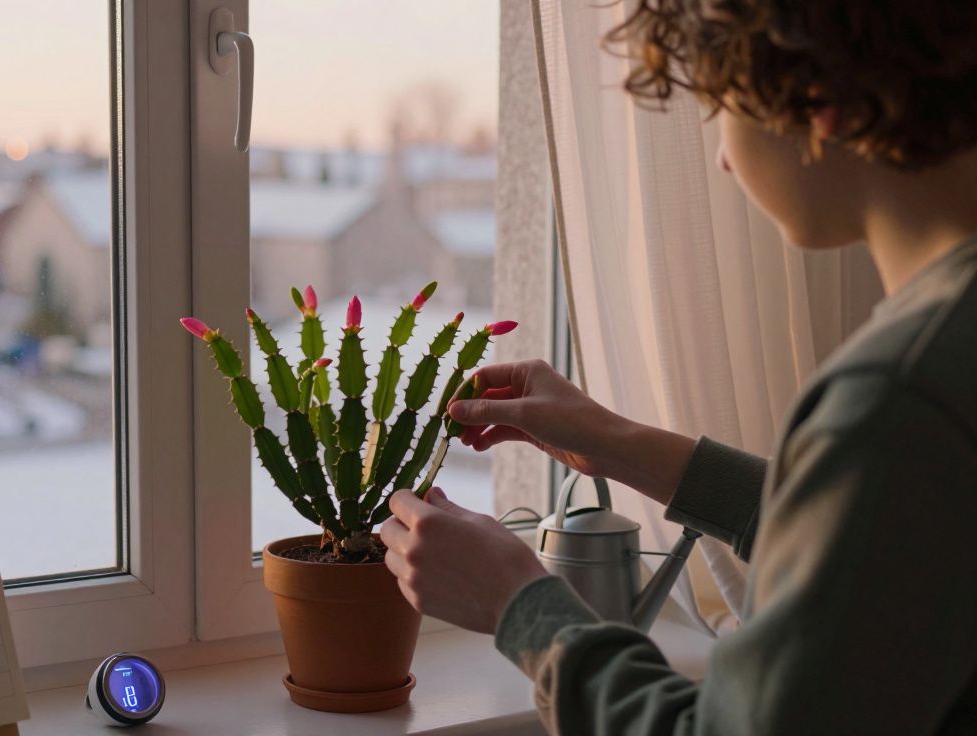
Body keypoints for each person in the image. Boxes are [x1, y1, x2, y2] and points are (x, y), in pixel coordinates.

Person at [380, 2, 977, 734]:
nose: (724, 157)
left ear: (818, 99)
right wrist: (616, 440)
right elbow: (884, 543)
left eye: (719, 106)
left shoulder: (897, 398)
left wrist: (515, 601)